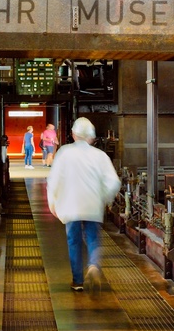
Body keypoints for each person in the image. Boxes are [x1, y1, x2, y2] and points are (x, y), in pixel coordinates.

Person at [46, 117, 121, 293]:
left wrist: (53, 202)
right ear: (92, 137)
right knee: (93, 238)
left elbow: (54, 180)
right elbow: (114, 182)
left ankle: (78, 281)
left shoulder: (64, 153)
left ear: (73, 134)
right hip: (93, 205)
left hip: (71, 205)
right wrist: (104, 198)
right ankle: (93, 266)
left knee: (74, 241)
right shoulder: (100, 156)